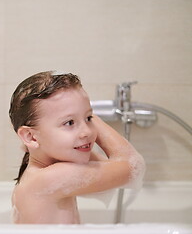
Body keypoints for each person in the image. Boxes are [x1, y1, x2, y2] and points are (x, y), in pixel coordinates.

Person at [9, 71, 145, 224]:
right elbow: (133, 166)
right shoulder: (53, 178)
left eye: (88, 118)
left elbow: (107, 169)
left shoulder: (40, 173)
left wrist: (78, 115)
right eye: (69, 123)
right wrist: (91, 117)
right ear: (31, 137)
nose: (87, 131)